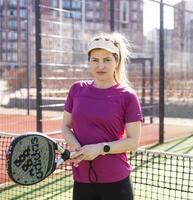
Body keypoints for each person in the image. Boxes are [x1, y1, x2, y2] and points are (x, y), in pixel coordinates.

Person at [61, 32, 142, 200]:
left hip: (116, 182)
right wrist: (76, 147)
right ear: (89, 62)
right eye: (95, 60)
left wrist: (100, 148)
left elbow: (133, 142)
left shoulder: (128, 96)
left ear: (117, 61)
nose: (101, 66)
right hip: (81, 180)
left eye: (107, 60)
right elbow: (65, 126)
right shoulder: (76, 89)